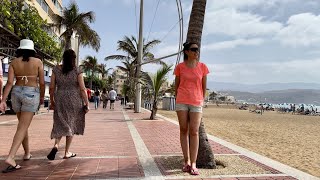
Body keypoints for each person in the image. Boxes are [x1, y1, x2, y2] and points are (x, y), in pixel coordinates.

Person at [0, 39, 45, 173]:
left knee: (22, 125)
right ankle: (11, 157)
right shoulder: (38, 62)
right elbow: (42, 83)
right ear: (32, 50)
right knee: (22, 127)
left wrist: (3, 100)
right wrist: (42, 97)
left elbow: (9, 82)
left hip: (16, 92)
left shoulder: (14, 62)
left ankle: (27, 153)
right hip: (31, 93)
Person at [47, 49, 89, 161]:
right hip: (74, 99)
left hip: (60, 97)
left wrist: (52, 101)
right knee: (71, 123)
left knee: (60, 122)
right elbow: (82, 88)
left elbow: (51, 87)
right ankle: (66, 152)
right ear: (74, 59)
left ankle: (56, 145)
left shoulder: (56, 69)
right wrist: (86, 102)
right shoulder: (77, 70)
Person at [174, 42, 209, 176]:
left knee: (194, 131)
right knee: (183, 130)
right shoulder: (180, 67)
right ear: (187, 52)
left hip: (196, 102)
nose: (196, 52)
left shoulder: (203, 67)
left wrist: (200, 99)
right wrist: (180, 97)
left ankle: (193, 163)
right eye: (193, 50)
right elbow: (176, 86)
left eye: (197, 50)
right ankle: (186, 162)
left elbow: (203, 86)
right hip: (182, 101)